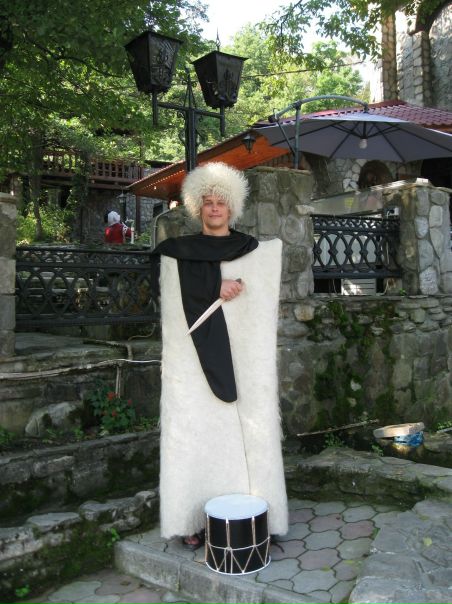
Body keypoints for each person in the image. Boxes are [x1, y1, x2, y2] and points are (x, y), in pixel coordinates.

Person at [154, 162, 288, 550]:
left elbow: (260, 286)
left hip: (244, 359)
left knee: (247, 431)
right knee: (194, 432)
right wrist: (215, 284)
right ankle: (191, 518)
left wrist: (228, 284)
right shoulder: (179, 251)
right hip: (191, 364)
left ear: (232, 207)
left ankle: (258, 515)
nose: (215, 208)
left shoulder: (251, 250)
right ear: (198, 207)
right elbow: (169, 287)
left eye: (221, 202)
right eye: (208, 202)